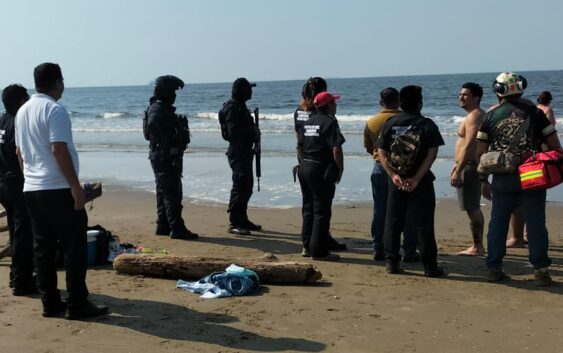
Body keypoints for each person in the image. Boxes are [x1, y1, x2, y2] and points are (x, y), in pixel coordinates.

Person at [15, 63, 108, 319]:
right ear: (58, 82)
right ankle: (77, 303)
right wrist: (75, 187)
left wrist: (30, 179)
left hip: (32, 188)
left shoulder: (22, 111)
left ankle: (50, 302)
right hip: (57, 188)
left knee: (43, 248)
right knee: (73, 246)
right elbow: (58, 149)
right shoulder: (55, 110)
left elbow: (19, 153)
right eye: (62, 81)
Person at [477, 72, 561, 286]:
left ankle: (494, 268)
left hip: (502, 176)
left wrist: (482, 180)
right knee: (535, 224)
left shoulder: (490, 116)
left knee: (498, 223)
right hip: (532, 174)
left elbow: (481, 152)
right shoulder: (535, 113)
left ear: (498, 91)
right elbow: (555, 146)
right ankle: (541, 271)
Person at [376, 85, 446, 277]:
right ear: (420, 103)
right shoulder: (426, 124)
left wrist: (393, 175)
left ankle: (392, 263)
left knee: (393, 221)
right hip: (420, 181)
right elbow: (432, 154)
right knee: (423, 223)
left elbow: (381, 151)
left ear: (401, 103)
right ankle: (430, 267)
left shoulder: (391, 122)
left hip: (396, 180)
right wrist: (416, 178)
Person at [364, 87, 419, 261]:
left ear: (381, 102)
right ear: (399, 101)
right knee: (407, 211)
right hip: (404, 168)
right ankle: (408, 249)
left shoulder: (372, 121)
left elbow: (369, 146)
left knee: (380, 210)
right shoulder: (406, 119)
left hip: (380, 166)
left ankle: (378, 247)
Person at [295, 77, 347, 254]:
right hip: (319, 166)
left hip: (305, 165)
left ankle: (307, 245)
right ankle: (318, 248)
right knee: (322, 209)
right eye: (334, 102)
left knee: (309, 207)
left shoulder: (305, 117)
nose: (336, 105)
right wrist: (340, 169)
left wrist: (303, 162)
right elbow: (336, 149)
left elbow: (299, 143)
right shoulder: (329, 121)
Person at [146, 75, 198, 240]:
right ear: (165, 91)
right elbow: (152, 125)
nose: (175, 95)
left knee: (164, 191)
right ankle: (177, 227)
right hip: (164, 157)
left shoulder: (158, 107)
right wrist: (166, 145)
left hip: (162, 156)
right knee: (172, 193)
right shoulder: (158, 108)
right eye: (173, 91)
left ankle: (163, 225)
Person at [0, 84, 36, 295]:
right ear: (21, 101)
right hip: (16, 182)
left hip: (3, 182)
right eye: (26, 97)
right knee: (24, 233)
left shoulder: (2, 121)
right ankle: (22, 280)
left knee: (16, 230)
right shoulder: (17, 123)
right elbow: (21, 154)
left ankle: (16, 275)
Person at [219, 78, 261, 235]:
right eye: (248, 89)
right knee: (240, 186)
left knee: (246, 186)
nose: (250, 92)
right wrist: (252, 132)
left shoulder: (240, 107)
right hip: (238, 151)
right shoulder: (232, 108)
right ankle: (234, 221)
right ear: (241, 90)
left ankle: (242, 218)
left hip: (244, 150)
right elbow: (233, 132)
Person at [450, 83, 486, 256]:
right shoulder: (474, 115)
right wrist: (457, 165)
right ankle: (477, 245)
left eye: (465, 94)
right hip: (467, 165)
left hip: (470, 167)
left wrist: (459, 169)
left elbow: (471, 144)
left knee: (472, 208)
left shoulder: (475, 116)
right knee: (471, 207)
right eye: (460, 94)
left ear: (476, 98)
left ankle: (477, 246)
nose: (461, 97)